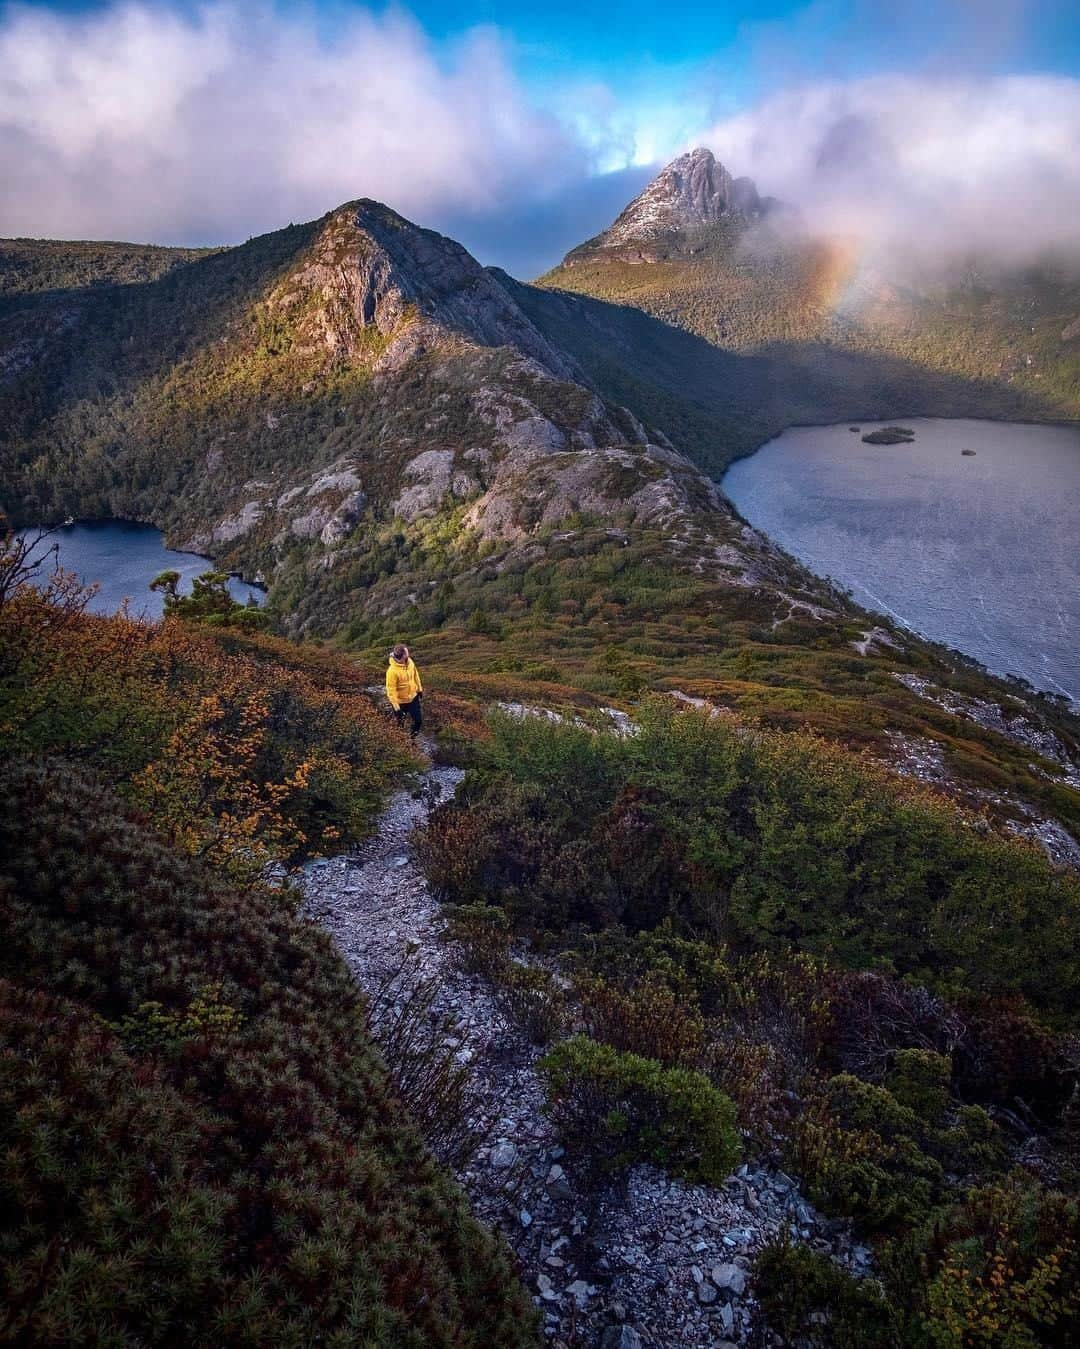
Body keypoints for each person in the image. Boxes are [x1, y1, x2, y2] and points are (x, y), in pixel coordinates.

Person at [385, 642, 423, 738]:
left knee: (418, 721)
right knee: (400, 723)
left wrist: (419, 689)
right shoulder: (392, 672)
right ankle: (400, 741)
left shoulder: (410, 662)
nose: (408, 654)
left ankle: (412, 738)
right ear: (402, 656)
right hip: (400, 702)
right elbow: (391, 691)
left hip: (413, 698)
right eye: (406, 653)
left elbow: (416, 675)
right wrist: (397, 708)